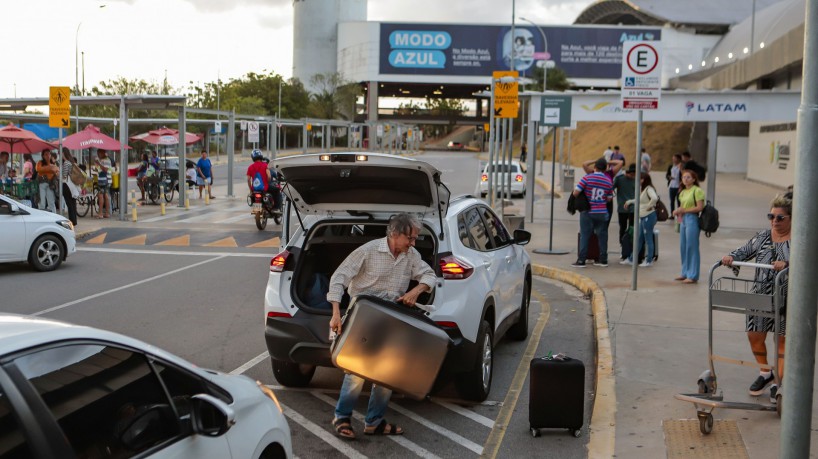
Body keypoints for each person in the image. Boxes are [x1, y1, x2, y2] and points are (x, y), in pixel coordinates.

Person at [328, 213, 435, 440]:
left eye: (415, 239)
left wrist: (415, 291)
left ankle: (374, 422)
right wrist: (336, 313)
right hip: (363, 318)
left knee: (387, 373)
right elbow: (339, 277)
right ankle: (342, 417)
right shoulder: (368, 251)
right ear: (395, 234)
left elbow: (429, 275)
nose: (413, 243)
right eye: (411, 238)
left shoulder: (411, 255)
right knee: (356, 372)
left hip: (391, 321)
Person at [721, 194, 791, 403]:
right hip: (760, 295)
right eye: (771, 216)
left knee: (781, 340)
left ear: (791, 218)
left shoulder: (800, 239)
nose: (774, 221)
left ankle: (778, 383)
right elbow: (744, 251)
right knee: (754, 336)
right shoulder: (763, 237)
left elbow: (808, 264)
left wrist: (788, 264)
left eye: (780, 218)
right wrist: (731, 257)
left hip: (787, 298)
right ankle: (764, 373)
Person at [572, 158, 614, 268]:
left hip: (588, 212)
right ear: (605, 169)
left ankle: (581, 260)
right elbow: (609, 199)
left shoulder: (587, 178)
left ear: (595, 167)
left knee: (585, 235)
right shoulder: (608, 181)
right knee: (602, 236)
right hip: (602, 212)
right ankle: (603, 259)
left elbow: (576, 193)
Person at [672, 169, 705, 283]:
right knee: (683, 246)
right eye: (683, 177)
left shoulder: (697, 191)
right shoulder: (682, 191)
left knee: (692, 246)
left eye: (688, 177)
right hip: (683, 219)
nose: (685, 179)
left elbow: (699, 208)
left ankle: (693, 275)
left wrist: (684, 210)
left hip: (692, 218)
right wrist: (678, 211)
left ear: (694, 179)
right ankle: (685, 272)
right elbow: (681, 206)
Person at [623, 172, 659, 266]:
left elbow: (654, 198)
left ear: (644, 179)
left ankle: (648, 260)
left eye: (640, 178)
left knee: (648, 239)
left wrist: (649, 206)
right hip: (642, 216)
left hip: (648, 216)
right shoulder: (643, 189)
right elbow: (640, 200)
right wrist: (630, 201)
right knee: (639, 238)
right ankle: (631, 259)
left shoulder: (649, 189)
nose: (638, 180)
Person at [612, 164, 636, 261]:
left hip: (633, 208)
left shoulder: (636, 180)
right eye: (631, 174)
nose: (632, 176)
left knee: (632, 228)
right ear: (627, 173)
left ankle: (631, 247)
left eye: (634, 175)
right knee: (622, 228)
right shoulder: (619, 179)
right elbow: (611, 188)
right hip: (622, 208)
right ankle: (623, 246)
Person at [60, 148, 78, 226]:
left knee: (69, 203)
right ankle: (74, 220)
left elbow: (64, 176)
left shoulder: (66, 163)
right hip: (72, 185)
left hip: (66, 185)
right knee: (73, 203)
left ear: (63, 153)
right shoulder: (71, 162)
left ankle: (71, 221)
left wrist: (58, 175)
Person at [94, 149, 112, 218]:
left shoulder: (106, 160)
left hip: (104, 181)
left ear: (103, 153)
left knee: (101, 196)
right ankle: (106, 213)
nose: (98, 155)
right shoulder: (103, 160)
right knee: (105, 195)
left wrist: (98, 163)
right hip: (105, 180)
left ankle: (100, 213)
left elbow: (105, 169)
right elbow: (101, 169)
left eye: (99, 153)